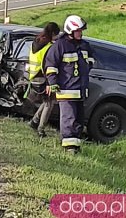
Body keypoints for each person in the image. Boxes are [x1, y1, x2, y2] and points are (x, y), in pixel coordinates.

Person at [44, 15, 95, 154]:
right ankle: (69, 147)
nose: (81, 33)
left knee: (78, 119)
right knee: (69, 118)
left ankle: (76, 145)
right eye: (78, 30)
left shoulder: (85, 45)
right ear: (70, 30)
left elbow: (90, 61)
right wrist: (53, 83)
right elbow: (51, 66)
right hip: (66, 90)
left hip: (80, 90)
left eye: (81, 30)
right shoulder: (59, 46)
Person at [26, 22, 60, 138]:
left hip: (33, 76)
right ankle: (41, 129)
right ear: (53, 33)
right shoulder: (48, 47)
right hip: (43, 78)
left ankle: (34, 121)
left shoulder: (36, 41)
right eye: (56, 35)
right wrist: (50, 83)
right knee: (49, 103)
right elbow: (47, 65)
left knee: (46, 101)